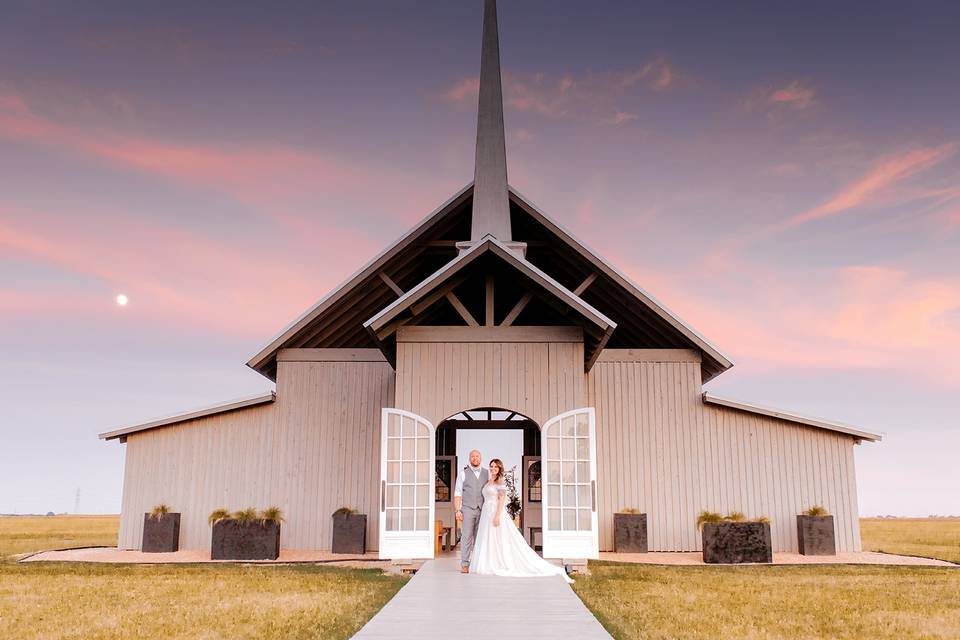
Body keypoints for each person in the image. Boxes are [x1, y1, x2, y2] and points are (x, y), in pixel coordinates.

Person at [469, 458, 572, 582]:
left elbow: (501, 499)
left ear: (499, 468)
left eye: (496, 467)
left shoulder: (500, 481)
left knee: (498, 538)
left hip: (495, 511)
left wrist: (497, 516)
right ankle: (490, 561)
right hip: (486, 512)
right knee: (489, 538)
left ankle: (499, 563)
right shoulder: (488, 481)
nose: (493, 468)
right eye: (491, 466)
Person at [454, 449, 487, 574]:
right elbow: (457, 493)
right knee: (466, 537)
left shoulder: (487, 473)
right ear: (469, 459)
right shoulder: (463, 473)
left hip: (483, 509)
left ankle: (478, 563)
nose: (475, 458)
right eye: (472, 456)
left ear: (480, 458)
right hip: (467, 509)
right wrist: (458, 510)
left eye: (477, 456)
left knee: (480, 537)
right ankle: (465, 564)